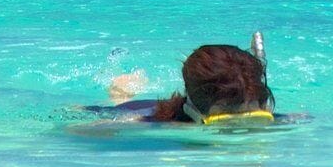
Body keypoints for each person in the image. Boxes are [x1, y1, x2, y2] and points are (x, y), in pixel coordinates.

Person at [91, 37, 290, 127]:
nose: (239, 128)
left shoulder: (266, 113)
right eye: (225, 120)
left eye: (251, 116)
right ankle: (121, 91)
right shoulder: (142, 120)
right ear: (194, 109)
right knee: (118, 102)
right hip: (143, 109)